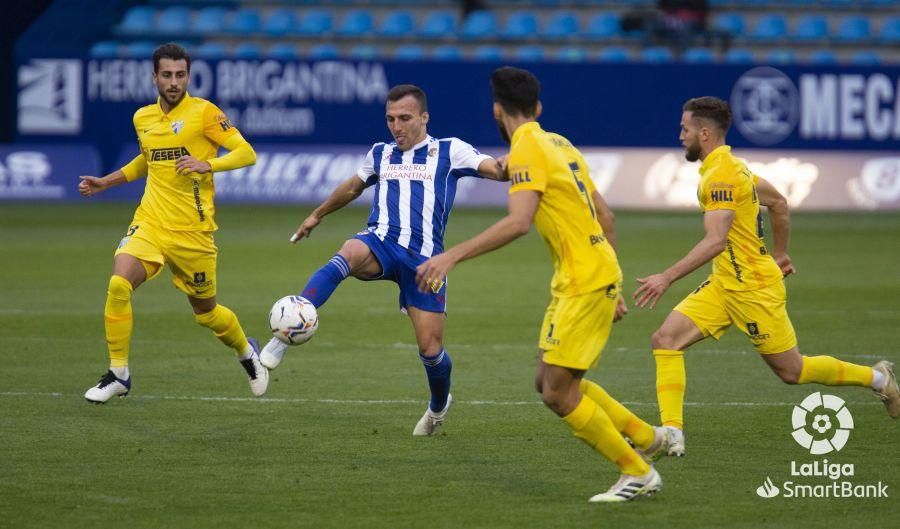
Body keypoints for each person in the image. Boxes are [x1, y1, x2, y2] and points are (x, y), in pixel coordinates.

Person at [416, 67, 667, 503]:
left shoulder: (529, 148)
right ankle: (648, 437)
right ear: (538, 107)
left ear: (496, 109)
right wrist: (616, 284)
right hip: (589, 274)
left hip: (584, 280)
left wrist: (450, 255)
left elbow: (517, 223)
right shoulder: (558, 143)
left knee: (556, 392)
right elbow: (606, 216)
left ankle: (638, 473)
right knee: (547, 381)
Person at [634, 96, 900, 455]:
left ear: (705, 132)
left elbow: (715, 241)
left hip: (753, 290)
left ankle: (879, 379)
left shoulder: (722, 177)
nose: (680, 135)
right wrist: (780, 253)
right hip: (725, 284)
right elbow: (778, 203)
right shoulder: (735, 168)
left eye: (685, 129)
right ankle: (672, 433)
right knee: (665, 340)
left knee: (793, 371)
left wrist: (666, 277)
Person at [258, 84, 507, 436]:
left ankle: (438, 407)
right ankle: (282, 338)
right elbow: (353, 186)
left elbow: (494, 170)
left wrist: (508, 164)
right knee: (347, 253)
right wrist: (317, 214)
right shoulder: (381, 153)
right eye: (390, 119)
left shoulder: (450, 150)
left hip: (425, 262)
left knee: (431, 349)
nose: (396, 126)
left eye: (405, 118)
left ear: (424, 117)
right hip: (381, 242)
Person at [78, 43, 267, 403]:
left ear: (188, 76)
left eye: (180, 75)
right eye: (167, 75)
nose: (174, 82)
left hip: (193, 233)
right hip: (150, 222)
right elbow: (148, 160)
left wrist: (207, 164)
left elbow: (246, 153)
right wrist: (107, 181)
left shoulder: (204, 113)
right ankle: (119, 374)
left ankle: (247, 352)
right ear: (155, 77)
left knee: (207, 314)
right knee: (119, 283)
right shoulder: (143, 117)